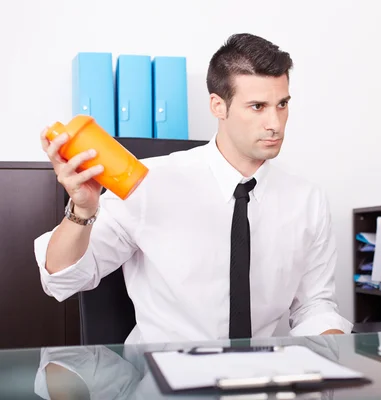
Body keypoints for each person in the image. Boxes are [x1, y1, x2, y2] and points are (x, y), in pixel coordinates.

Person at [34, 33, 352, 345]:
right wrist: (82, 212)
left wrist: (341, 362)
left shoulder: (307, 199)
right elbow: (61, 279)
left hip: (255, 380)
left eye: (282, 104)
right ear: (218, 106)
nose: (276, 123)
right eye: (257, 106)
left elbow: (315, 306)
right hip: (157, 377)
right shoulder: (148, 184)